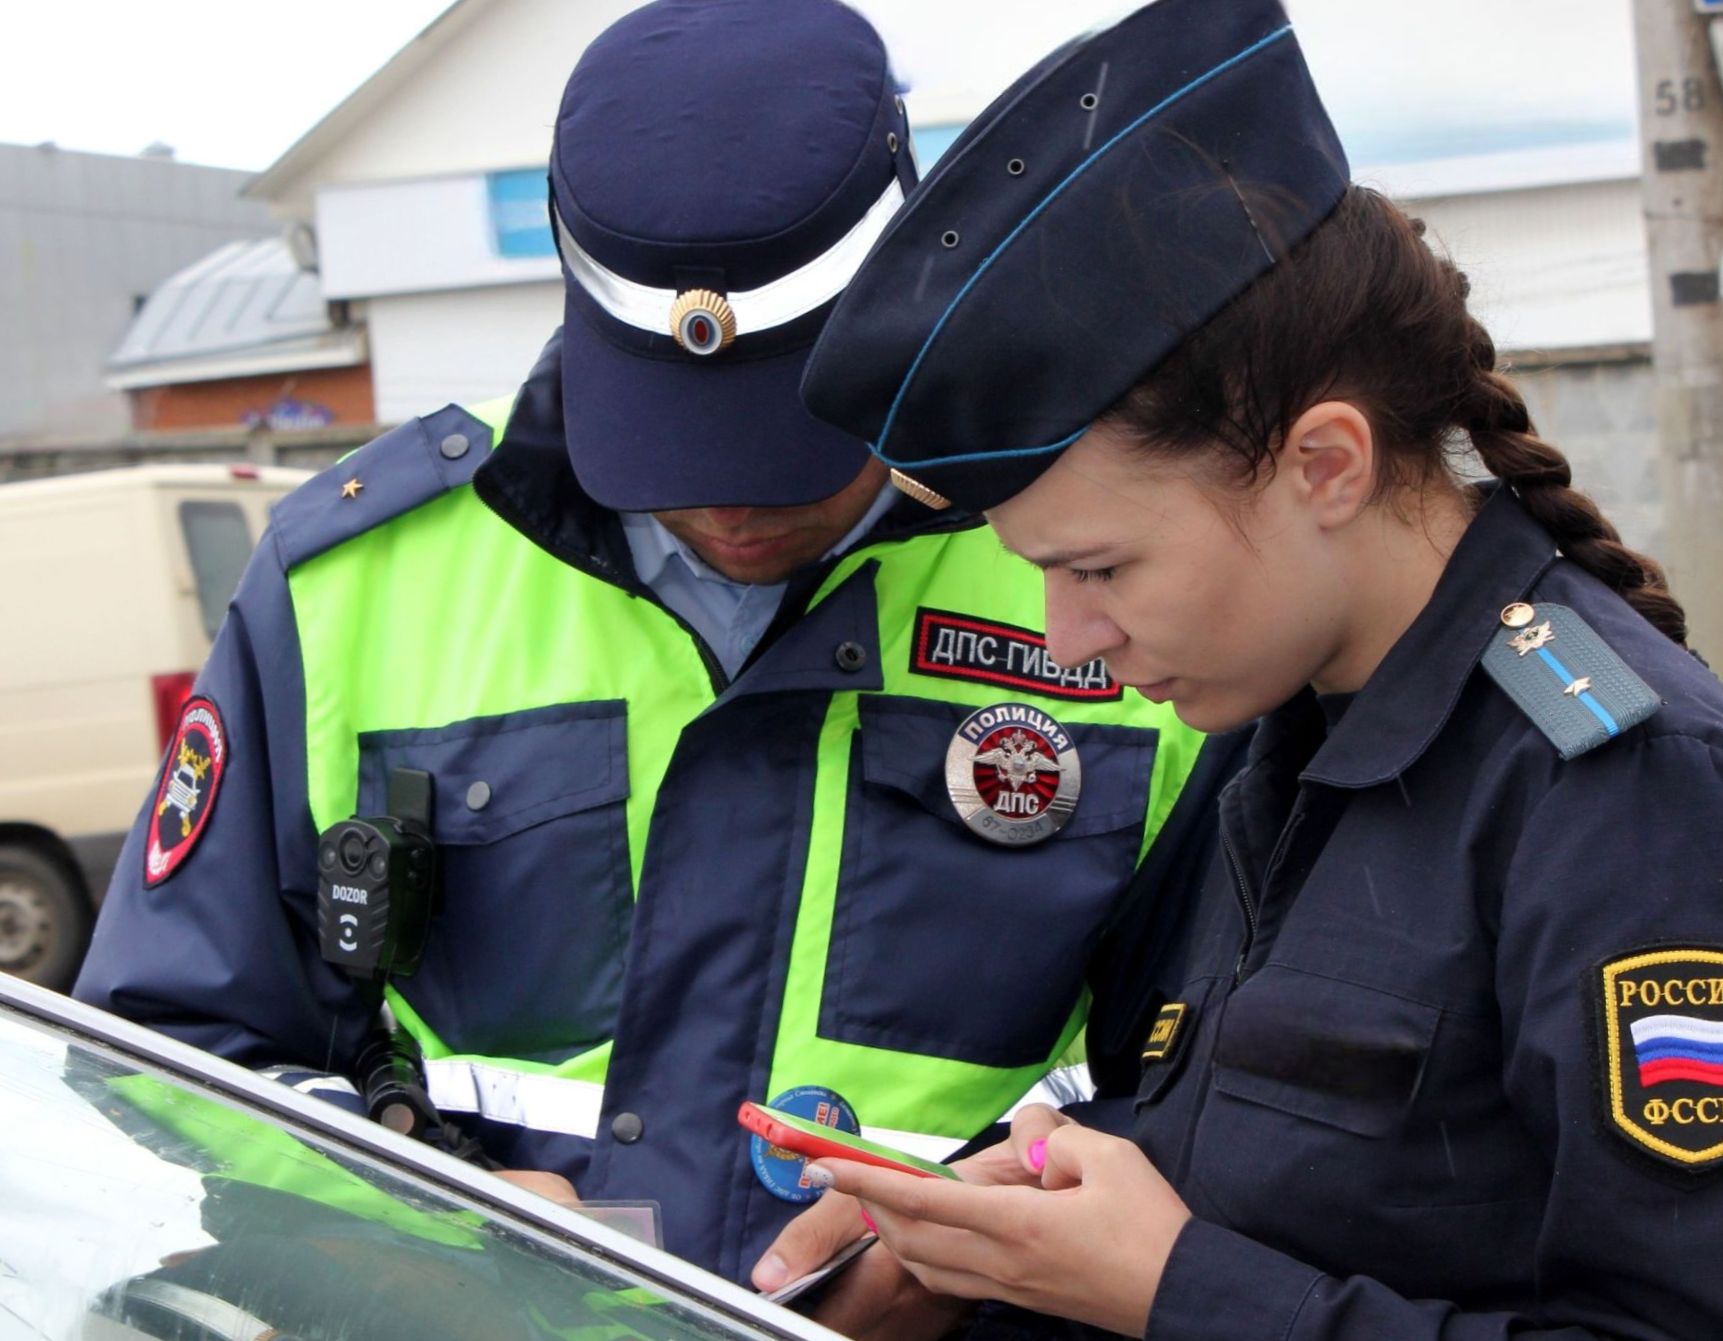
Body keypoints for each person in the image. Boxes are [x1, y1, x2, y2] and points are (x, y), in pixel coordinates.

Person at [73, 0, 1219, 1287]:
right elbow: (163, 1049)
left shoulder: (1103, 567)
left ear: (911, 282)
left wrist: (989, 1247)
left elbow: (1241, 1083)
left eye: (791, 440)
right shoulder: (350, 581)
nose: (732, 504)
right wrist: (414, 1216)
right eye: (675, 445)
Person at [753, 0, 1723, 1336]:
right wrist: (979, 1232)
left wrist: (1169, 1290)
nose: (1062, 639)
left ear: (1321, 464)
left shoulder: (1614, 789)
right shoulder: (1274, 733)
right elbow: (1245, 1164)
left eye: (1097, 569)